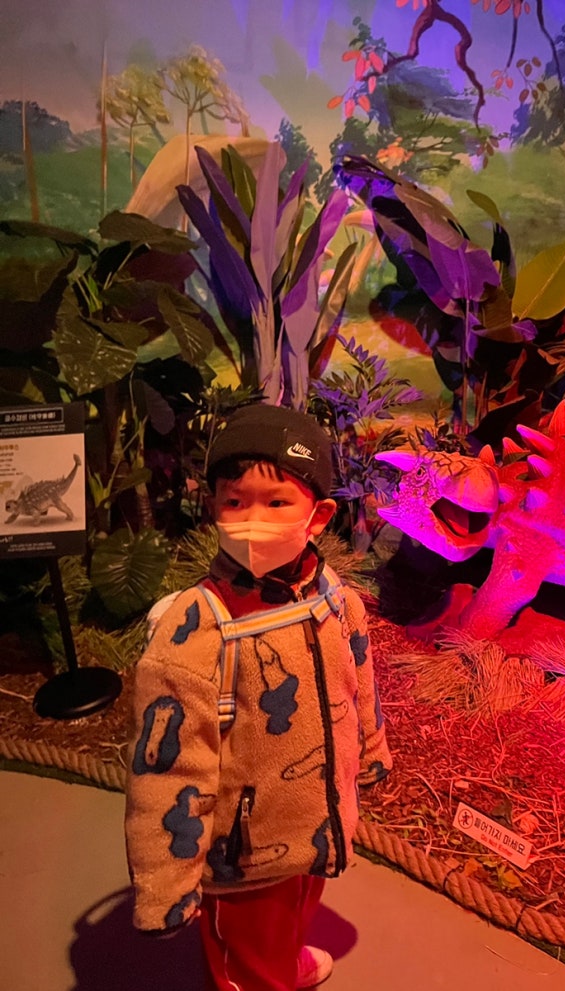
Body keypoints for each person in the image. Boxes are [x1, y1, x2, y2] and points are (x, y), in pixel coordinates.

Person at [125, 404, 393, 991]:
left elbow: (361, 682)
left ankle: (284, 963)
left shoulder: (335, 599)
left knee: (293, 914)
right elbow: (166, 769)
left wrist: (371, 751)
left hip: (317, 827)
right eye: (234, 501)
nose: (253, 521)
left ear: (318, 516)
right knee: (247, 959)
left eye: (276, 502)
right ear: (213, 507)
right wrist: (167, 884)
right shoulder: (196, 627)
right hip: (242, 855)